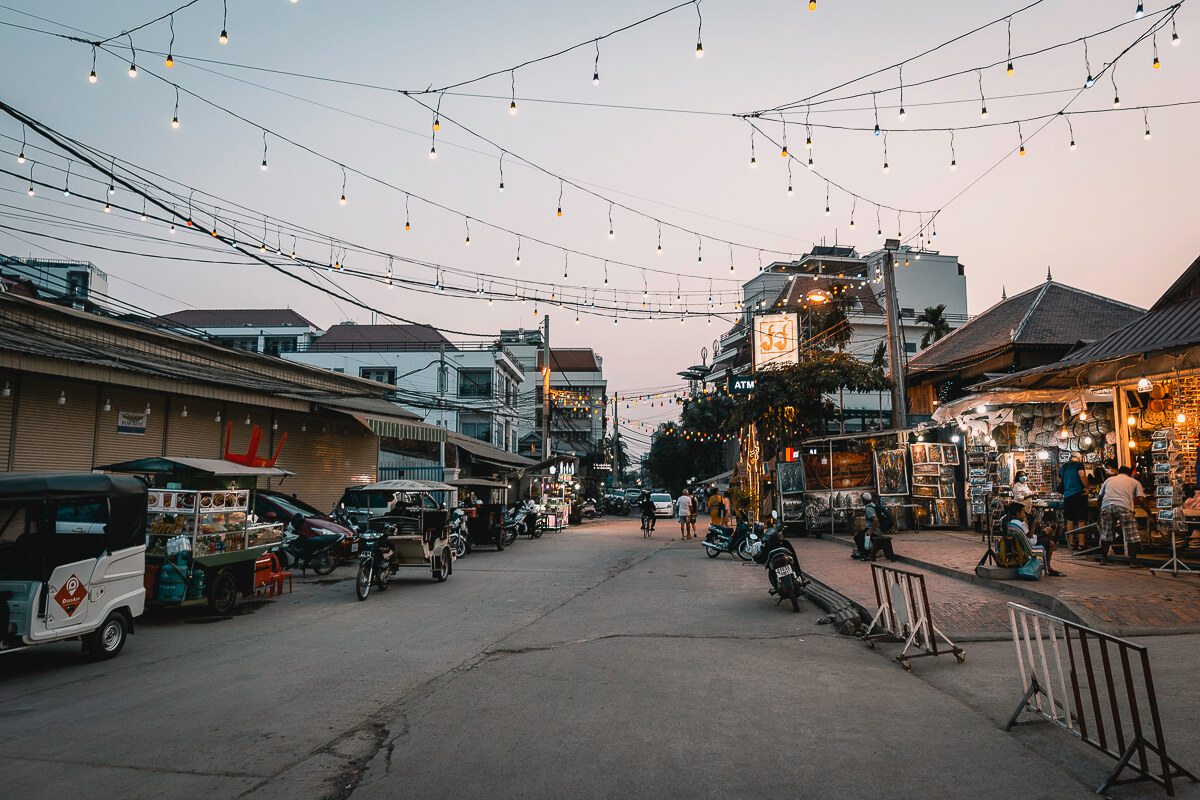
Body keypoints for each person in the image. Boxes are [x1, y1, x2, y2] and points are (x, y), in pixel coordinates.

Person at [1097, 465, 1151, 567]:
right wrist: (1149, 514)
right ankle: (1133, 562)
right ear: (1130, 474)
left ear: (1118, 472)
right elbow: (1141, 500)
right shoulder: (1134, 482)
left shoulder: (1109, 480)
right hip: (1124, 507)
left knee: (1106, 534)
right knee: (1132, 535)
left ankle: (1104, 559)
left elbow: (1100, 498)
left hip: (1107, 506)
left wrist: (1100, 513)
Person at [853, 492, 898, 562]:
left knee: (858, 536)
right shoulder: (873, 505)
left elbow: (875, 520)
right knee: (860, 534)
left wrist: (870, 531)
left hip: (875, 530)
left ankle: (866, 554)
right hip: (877, 529)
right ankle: (864, 553)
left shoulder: (868, 508)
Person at [1059, 453, 1090, 549]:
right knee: (1081, 519)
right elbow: (1082, 475)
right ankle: (1081, 544)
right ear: (1079, 458)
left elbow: (1060, 480)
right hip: (1078, 494)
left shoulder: (1063, 466)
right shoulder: (1079, 465)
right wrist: (1087, 487)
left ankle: (1071, 544)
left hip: (1067, 495)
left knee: (1070, 519)